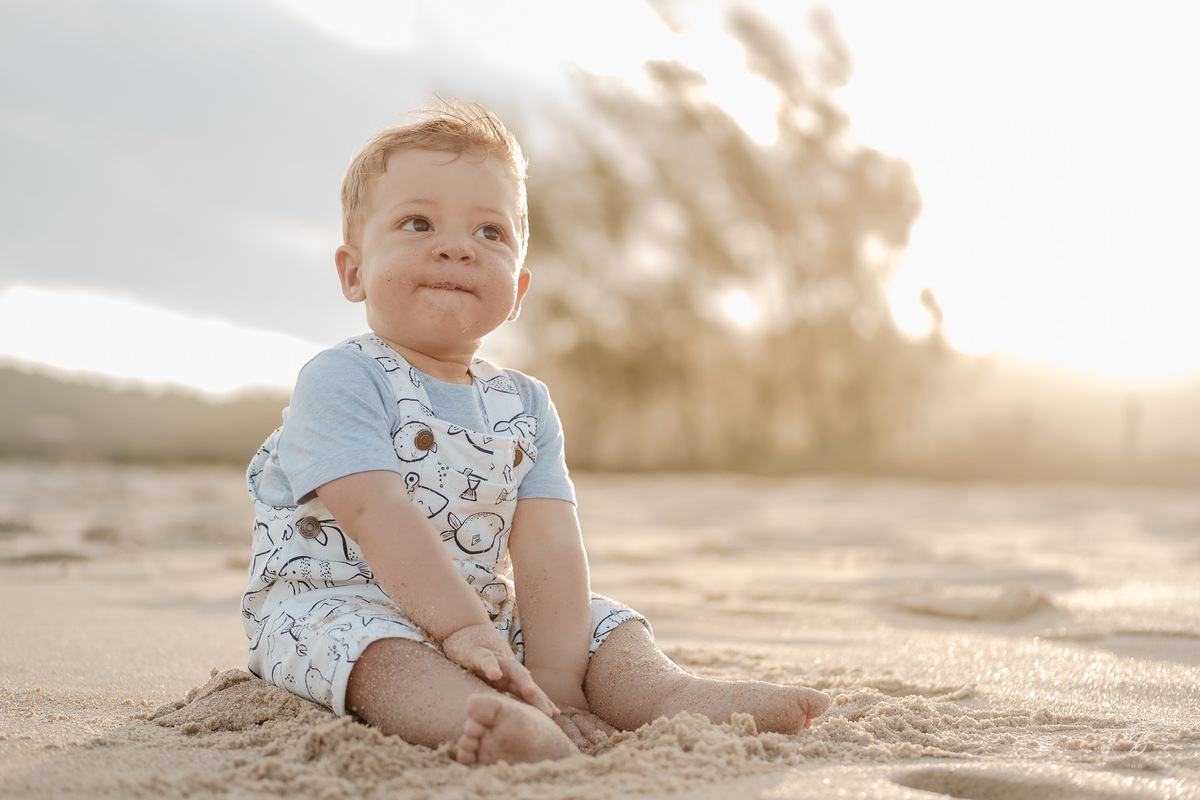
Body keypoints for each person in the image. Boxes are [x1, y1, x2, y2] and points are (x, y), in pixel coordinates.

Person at [241, 98, 831, 765]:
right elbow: (376, 511)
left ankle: (665, 693)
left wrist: (556, 682)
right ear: (353, 272)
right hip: (332, 608)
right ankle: (477, 721)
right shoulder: (342, 378)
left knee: (600, 621)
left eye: (489, 233)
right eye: (417, 222)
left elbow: (549, 543)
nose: (456, 246)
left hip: (478, 616)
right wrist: (459, 630)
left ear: (517, 289)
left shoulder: (524, 405)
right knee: (381, 660)